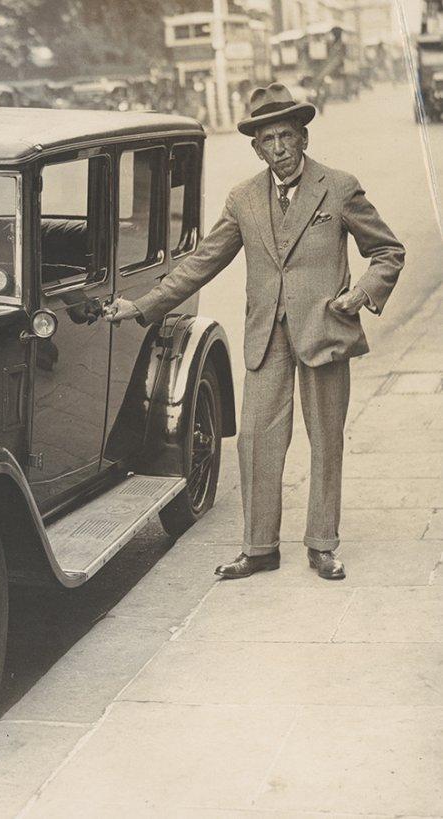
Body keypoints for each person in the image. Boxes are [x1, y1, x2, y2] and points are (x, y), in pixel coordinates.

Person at [104, 83, 404, 581]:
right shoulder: (243, 198)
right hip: (267, 339)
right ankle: (260, 548)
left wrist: (361, 294)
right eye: (269, 141)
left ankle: (322, 544)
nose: (280, 148)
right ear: (256, 147)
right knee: (256, 441)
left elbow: (388, 251)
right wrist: (142, 305)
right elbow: (201, 263)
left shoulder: (340, 187)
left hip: (325, 333)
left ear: (303, 137)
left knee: (326, 439)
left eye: (287, 136)